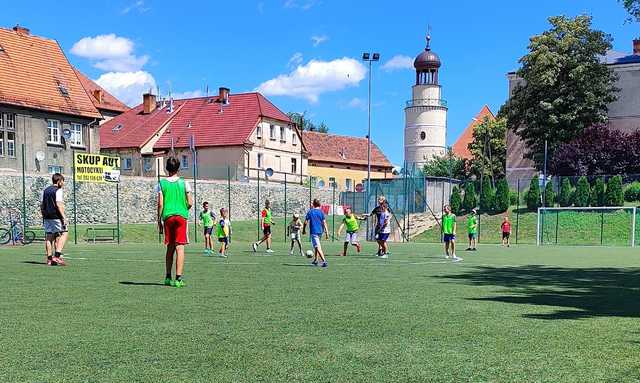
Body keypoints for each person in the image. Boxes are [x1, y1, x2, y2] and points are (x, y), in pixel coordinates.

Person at [157, 157, 193, 288]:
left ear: (166, 168)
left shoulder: (161, 183)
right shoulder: (184, 183)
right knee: (180, 247)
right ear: (178, 168)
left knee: (170, 247)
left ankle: (167, 277)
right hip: (181, 216)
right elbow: (190, 203)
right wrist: (182, 208)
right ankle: (178, 279)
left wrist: (159, 220)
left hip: (168, 217)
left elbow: (160, 204)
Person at [41, 173, 68, 266]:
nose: (63, 183)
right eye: (63, 181)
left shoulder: (45, 190)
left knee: (49, 237)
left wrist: (43, 215)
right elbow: (59, 204)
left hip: (47, 216)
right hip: (56, 216)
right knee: (64, 233)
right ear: (59, 181)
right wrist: (63, 217)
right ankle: (57, 256)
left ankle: (49, 259)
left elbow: (42, 205)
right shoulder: (58, 190)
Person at [303, 198, 329, 267]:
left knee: (317, 247)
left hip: (314, 231)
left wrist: (303, 230)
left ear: (313, 204)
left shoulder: (310, 212)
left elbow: (305, 222)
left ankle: (324, 261)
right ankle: (316, 260)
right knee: (316, 246)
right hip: (320, 232)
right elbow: (324, 222)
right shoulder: (321, 212)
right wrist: (326, 232)